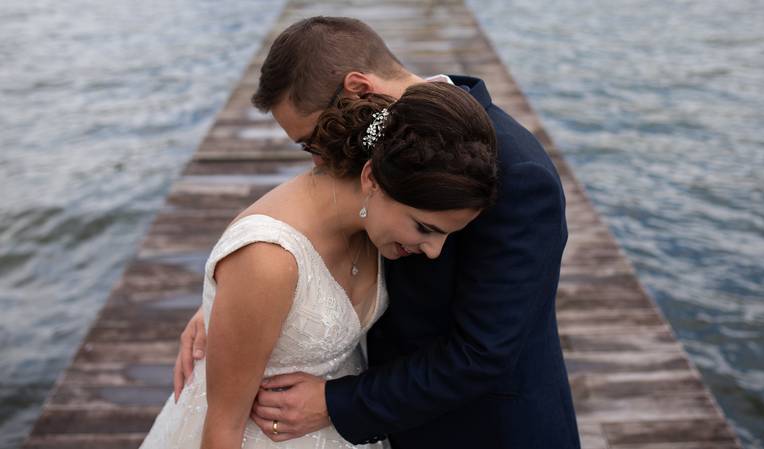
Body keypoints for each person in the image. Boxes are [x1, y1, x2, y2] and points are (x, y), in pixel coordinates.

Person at [174, 16, 580, 449]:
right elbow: (315, 231)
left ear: (359, 91)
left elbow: (483, 353)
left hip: (486, 430)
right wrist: (234, 303)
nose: (317, 160)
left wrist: (337, 402)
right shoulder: (380, 151)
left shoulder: (515, 171)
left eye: (310, 140)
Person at [139, 82, 498, 449]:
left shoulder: (377, 225)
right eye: (424, 228)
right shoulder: (268, 259)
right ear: (371, 178)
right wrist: (227, 300)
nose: (435, 252)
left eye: (446, 236)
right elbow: (222, 430)